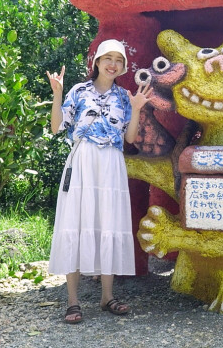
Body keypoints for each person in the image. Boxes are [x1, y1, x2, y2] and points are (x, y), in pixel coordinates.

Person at [46, 39, 152, 323]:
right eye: (108, 57)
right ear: (96, 62)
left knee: (109, 222)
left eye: (119, 59)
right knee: (76, 222)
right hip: (83, 162)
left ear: (123, 66)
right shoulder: (78, 91)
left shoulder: (123, 96)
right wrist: (57, 94)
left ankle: (107, 297)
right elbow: (57, 127)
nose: (113, 63)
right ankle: (72, 301)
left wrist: (138, 108)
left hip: (111, 163)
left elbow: (129, 138)